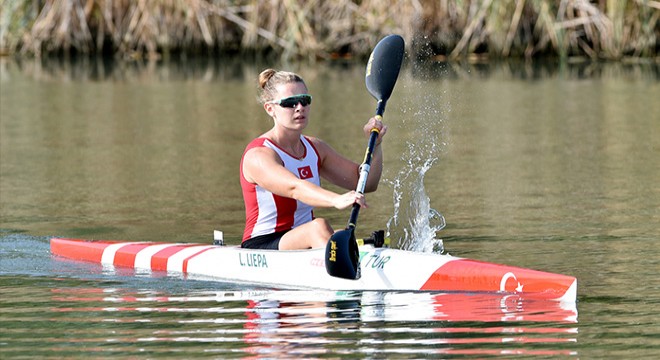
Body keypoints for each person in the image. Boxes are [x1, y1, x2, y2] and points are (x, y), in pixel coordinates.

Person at [240, 68, 387, 250]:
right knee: (319, 227)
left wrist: (377, 145)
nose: (299, 107)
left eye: (305, 100)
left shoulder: (315, 148)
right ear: (270, 109)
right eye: (290, 103)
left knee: (336, 232)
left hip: (303, 241)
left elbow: (366, 183)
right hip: (263, 244)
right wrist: (336, 200)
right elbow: (294, 188)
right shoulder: (258, 155)